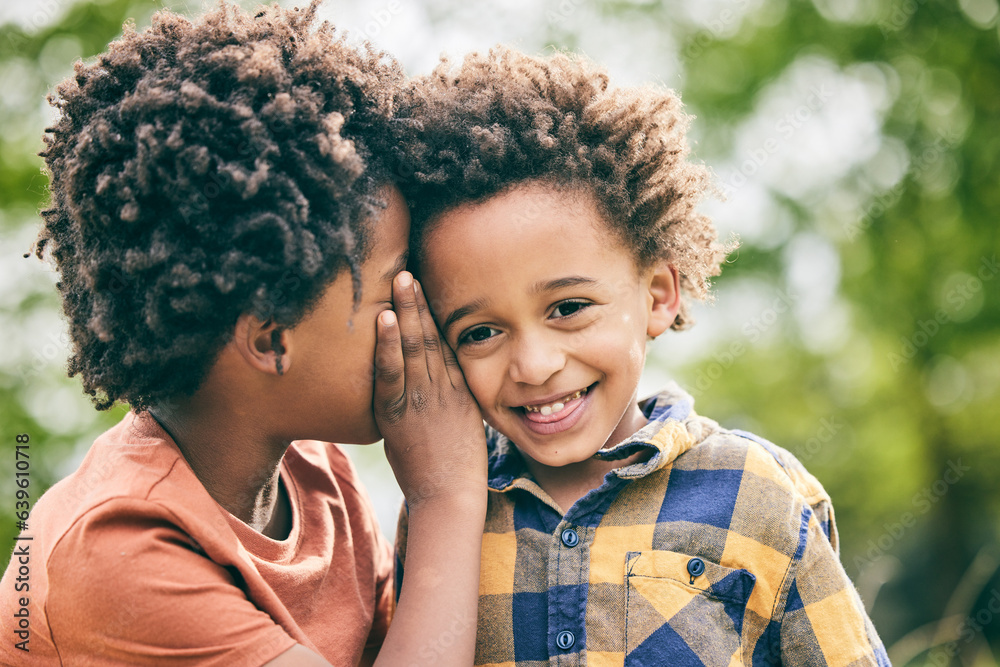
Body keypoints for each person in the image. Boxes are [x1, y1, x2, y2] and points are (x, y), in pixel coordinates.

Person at [0, 3, 487, 665]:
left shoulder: (320, 477)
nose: (420, 314)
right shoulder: (117, 548)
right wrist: (446, 496)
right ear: (269, 338)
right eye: (395, 285)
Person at [393, 47, 890, 665]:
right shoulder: (447, 514)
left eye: (568, 307)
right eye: (479, 333)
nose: (534, 364)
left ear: (658, 295)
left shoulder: (755, 492)